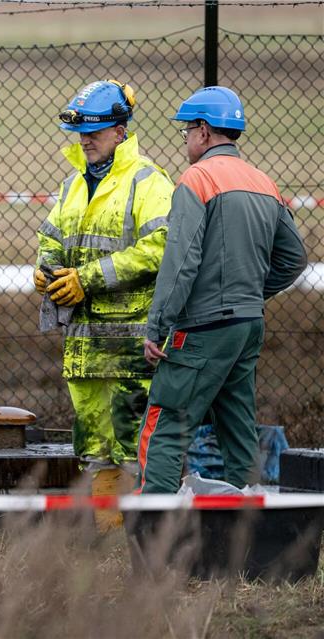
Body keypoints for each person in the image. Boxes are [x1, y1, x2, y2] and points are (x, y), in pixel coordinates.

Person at [137, 87, 307, 494]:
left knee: (164, 426)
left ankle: (151, 534)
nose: (185, 141)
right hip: (247, 326)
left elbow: (180, 265)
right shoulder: (264, 182)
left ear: (203, 131)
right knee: (237, 429)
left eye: (186, 132)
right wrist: (249, 293)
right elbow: (295, 258)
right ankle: (243, 535)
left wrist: (156, 327)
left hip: (203, 328)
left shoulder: (197, 179)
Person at [35, 80, 173, 527]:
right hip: (84, 344)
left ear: (121, 130)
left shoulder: (147, 182)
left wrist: (88, 279)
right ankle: (107, 534)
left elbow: (162, 245)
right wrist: (46, 267)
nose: (85, 139)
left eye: (95, 130)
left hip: (132, 346)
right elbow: (51, 236)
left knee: (132, 443)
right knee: (92, 443)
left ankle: (140, 534)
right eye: (80, 131)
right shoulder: (73, 184)